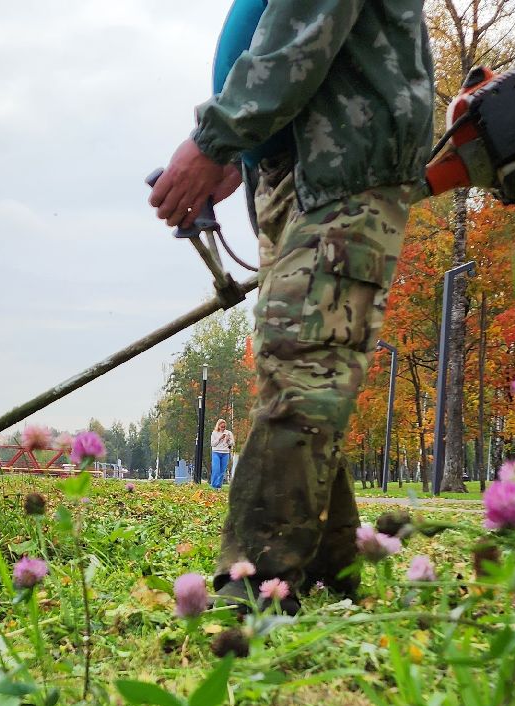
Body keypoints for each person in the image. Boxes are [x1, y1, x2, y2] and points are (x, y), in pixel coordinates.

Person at [150, 0, 435, 609]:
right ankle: (334, 570)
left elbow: (303, 27)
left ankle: (257, 584)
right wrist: (243, 154)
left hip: (341, 175)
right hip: (303, 175)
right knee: (299, 368)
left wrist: (215, 140)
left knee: (302, 366)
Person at [210, 418, 235, 488]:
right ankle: (213, 485)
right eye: (222, 427)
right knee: (216, 469)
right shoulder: (214, 433)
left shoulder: (229, 433)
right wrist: (220, 438)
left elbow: (232, 443)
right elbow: (213, 444)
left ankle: (218, 486)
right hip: (216, 452)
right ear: (218, 426)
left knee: (222, 471)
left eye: (224, 427)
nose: (223, 428)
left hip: (225, 453)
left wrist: (227, 440)